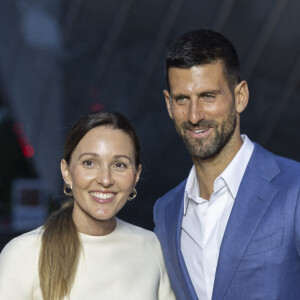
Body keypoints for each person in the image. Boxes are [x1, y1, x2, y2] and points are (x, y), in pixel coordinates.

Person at [153, 28, 300, 300]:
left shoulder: (295, 188)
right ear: (169, 104)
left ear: (240, 96)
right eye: (182, 99)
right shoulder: (166, 212)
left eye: (208, 96)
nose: (195, 116)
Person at [0, 111, 175, 300]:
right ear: (67, 172)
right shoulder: (23, 254)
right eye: (90, 163)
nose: (105, 180)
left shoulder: (153, 248)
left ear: (136, 175)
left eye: (119, 165)